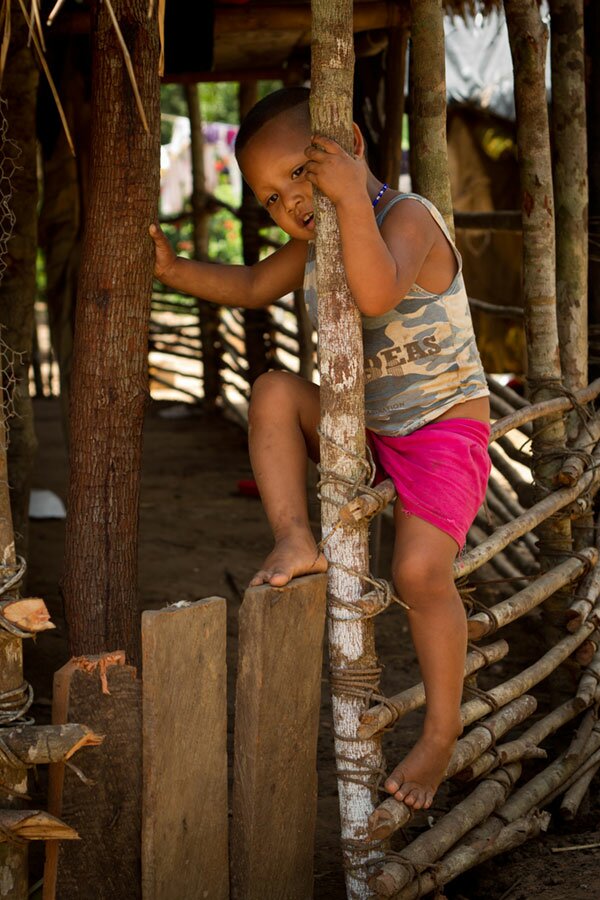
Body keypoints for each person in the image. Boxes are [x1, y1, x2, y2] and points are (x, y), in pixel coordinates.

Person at [150, 87, 491, 812]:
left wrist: (350, 203)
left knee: (419, 573)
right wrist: (176, 271)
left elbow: (375, 294)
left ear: (349, 149)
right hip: (364, 428)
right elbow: (246, 284)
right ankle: (294, 537)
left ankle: (440, 728)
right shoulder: (311, 246)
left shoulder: (408, 219)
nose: (288, 205)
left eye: (298, 177)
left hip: (439, 430)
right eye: (269, 198)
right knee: (272, 390)